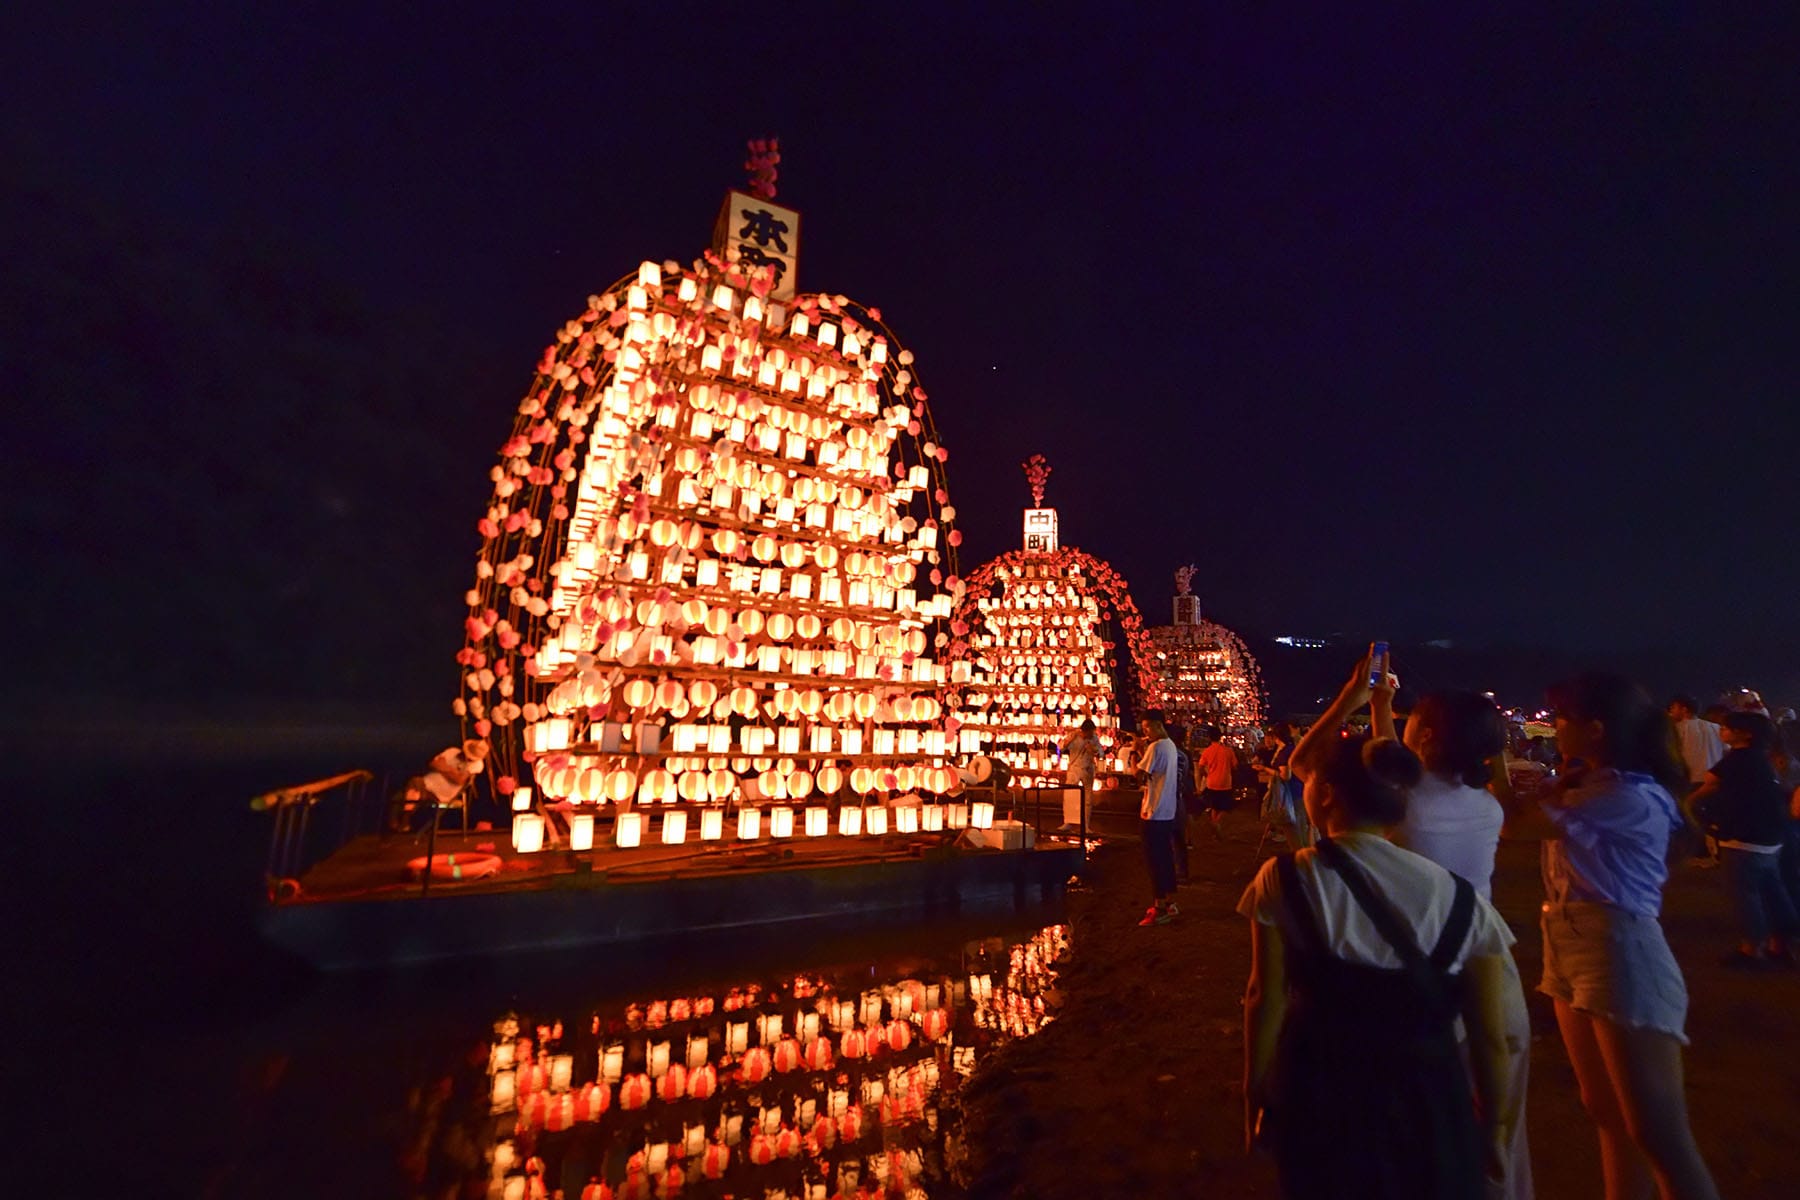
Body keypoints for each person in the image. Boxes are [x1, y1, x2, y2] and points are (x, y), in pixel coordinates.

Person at [1243, 677, 1525, 1199]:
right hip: (1428, 1072)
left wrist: (1254, 1090)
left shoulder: (1287, 879)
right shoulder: (1478, 842)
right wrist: (1498, 1129)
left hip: (1323, 1079)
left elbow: (1266, 994)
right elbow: (1489, 1037)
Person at [1500, 673, 1719, 1200]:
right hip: (1571, 942)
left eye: (1563, 719)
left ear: (1595, 729)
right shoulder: (1594, 783)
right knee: (1607, 1116)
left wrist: (1491, 759)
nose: (1554, 727)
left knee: (1659, 1135)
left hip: (1620, 950)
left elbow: (1515, 824)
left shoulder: (1628, 794)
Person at [1689, 712, 1798, 966]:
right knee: (1773, 892)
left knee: (1744, 895)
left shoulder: (1738, 759)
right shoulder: (1766, 760)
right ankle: (1782, 944)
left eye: (1728, 728)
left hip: (1742, 839)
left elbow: (1709, 782)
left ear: (1745, 734)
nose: (1722, 731)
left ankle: (1752, 950)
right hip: (1770, 838)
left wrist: (1688, 803)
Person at [1135, 710, 1181, 926]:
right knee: (1166, 858)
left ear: (1157, 725)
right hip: (1168, 810)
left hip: (1153, 811)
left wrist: (1136, 752)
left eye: (1147, 728)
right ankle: (1171, 903)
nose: (1146, 732)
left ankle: (1159, 906)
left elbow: (1140, 774)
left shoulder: (1155, 747)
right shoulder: (1171, 745)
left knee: (1154, 861)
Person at [1058, 719, 1101, 832]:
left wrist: (1093, 749)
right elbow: (1061, 747)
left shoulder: (1094, 738)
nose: (1091, 735)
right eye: (1090, 732)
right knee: (1070, 796)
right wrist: (1068, 741)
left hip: (1088, 768)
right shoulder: (1073, 735)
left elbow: (1100, 752)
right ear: (1084, 731)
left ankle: (1086, 825)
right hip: (1074, 768)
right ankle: (1068, 822)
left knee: (1088, 798)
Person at [1197, 729, 1239, 833]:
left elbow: (1200, 767)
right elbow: (1235, 766)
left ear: (1209, 738)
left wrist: (1206, 775)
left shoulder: (1207, 751)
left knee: (1214, 806)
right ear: (1220, 737)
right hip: (1225, 782)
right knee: (1225, 807)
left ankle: (1214, 825)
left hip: (1212, 782)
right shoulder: (1228, 751)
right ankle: (1216, 823)